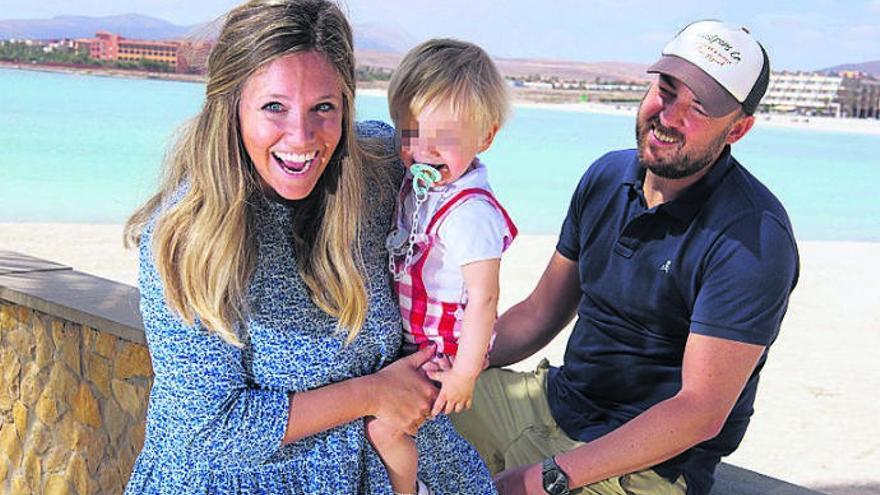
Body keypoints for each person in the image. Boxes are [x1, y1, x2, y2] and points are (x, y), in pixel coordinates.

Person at [121, 1, 495, 493]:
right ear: (230, 106)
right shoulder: (187, 235)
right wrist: (371, 394)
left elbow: (467, 220)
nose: (301, 136)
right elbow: (205, 429)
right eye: (274, 107)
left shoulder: (381, 172)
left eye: (324, 107)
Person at [451, 20, 800, 495]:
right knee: (395, 409)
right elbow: (540, 312)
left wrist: (547, 477)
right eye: (667, 89)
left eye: (698, 107)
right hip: (550, 403)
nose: (669, 115)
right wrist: (452, 362)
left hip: (644, 466)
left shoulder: (754, 236)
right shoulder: (607, 175)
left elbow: (700, 411)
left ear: (738, 128)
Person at [365, 39, 517, 494]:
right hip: (417, 339)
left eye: (444, 138)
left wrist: (464, 374)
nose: (425, 150)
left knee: (386, 429)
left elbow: (485, 297)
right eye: (411, 133)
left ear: (485, 137)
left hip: (443, 352)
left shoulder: (469, 213)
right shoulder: (427, 186)